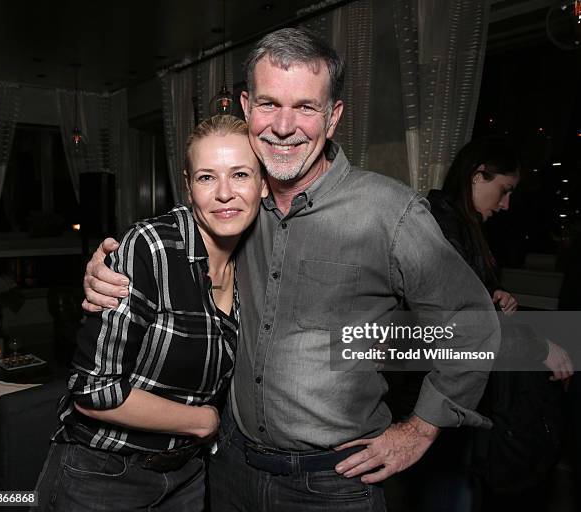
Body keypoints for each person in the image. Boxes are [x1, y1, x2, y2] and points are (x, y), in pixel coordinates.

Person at [82, 28, 500, 511]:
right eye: (268, 104)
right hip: (227, 469)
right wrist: (105, 273)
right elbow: (156, 253)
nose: (284, 126)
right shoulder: (233, 204)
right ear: (245, 107)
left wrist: (421, 427)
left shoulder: (389, 213)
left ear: (333, 116)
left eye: (305, 107)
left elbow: (471, 323)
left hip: (332, 485)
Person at [33, 115, 268, 511]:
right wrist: (200, 421)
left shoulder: (256, 262)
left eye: (241, 174)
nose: (225, 193)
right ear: (189, 187)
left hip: (187, 478)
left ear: (263, 185)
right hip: (102, 476)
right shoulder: (152, 247)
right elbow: (91, 392)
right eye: (207, 177)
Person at [420, 136, 573, 511]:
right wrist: (541, 348)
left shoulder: (466, 227)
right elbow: (460, 320)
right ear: (477, 176)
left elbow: (472, 299)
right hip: (444, 390)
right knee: (450, 490)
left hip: (461, 392)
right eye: (503, 191)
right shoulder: (441, 224)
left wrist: (498, 296)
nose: (506, 205)